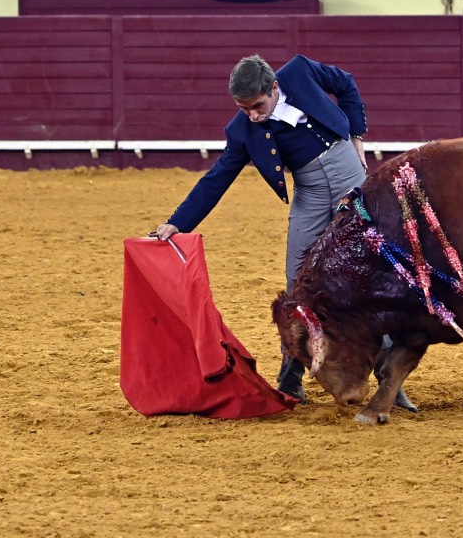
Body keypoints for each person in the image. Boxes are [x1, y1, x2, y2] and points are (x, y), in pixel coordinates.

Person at [154, 54, 415, 409]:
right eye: (244, 109)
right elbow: (217, 178)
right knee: (298, 284)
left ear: (275, 87)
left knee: (368, 276)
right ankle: (291, 376)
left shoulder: (300, 71)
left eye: (258, 106)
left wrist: (355, 132)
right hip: (309, 192)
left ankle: (390, 379)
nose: (253, 115)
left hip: (350, 179)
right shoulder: (242, 130)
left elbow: (346, 82)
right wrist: (178, 222)